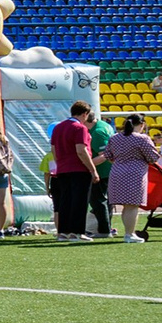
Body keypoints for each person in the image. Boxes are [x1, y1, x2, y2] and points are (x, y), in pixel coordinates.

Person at [103, 115, 160, 241]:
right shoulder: (142, 138)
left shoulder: (115, 138)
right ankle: (129, 234)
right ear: (141, 125)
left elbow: (107, 155)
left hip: (117, 173)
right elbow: (153, 157)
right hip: (135, 174)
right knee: (132, 205)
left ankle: (129, 233)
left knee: (126, 205)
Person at [48, 101, 99, 240]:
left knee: (65, 200)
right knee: (79, 201)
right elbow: (81, 150)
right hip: (79, 169)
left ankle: (63, 232)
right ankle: (77, 232)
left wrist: (61, 163)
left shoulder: (58, 128)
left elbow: (53, 150)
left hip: (63, 169)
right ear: (84, 114)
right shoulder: (80, 128)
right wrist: (93, 170)